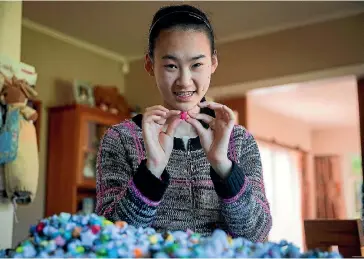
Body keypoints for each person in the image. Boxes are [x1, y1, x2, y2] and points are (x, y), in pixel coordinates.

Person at [96, 4, 272, 242]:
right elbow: (109, 237)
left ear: (213, 63)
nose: (184, 81)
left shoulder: (239, 141)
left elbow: (257, 234)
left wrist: (224, 167)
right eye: (171, 66)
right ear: (150, 64)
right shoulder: (120, 139)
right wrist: (152, 170)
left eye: (197, 65)